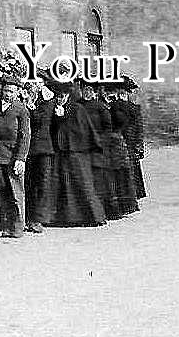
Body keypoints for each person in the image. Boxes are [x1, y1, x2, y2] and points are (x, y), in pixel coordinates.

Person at [48, 80, 106, 227]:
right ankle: (69, 217)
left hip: (77, 152)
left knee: (83, 182)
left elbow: (80, 131)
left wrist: (63, 117)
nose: (59, 99)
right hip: (62, 152)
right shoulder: (55, 107)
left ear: (68, 95)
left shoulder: (77, 108)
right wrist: (58, 117)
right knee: (65, 184)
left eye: (62, 96)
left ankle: (94, 216)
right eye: (57, 96)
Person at [0, 76, 31, 238]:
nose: (9, 94)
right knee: (1, 192)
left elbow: (25, 135)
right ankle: (5, 224)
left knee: (16, 192)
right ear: (1, 90)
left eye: (12, 91)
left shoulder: (21, 109)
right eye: (7, 90)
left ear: (18, 92)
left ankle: (18, 225)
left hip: (13, 157)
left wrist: (21, 158)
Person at [77, 79, 118, 220]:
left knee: (101, 180)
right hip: (83, 147)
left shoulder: (101, 107)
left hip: (98, 148)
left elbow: (108, 128)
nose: (86, 93)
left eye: (89, 90)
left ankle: (107, 210)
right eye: (84, 90)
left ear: (94, 92)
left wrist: (100, 142)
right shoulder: (78, 106)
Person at [24, 76, 57, 233]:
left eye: (38, 82)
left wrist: (29, 104)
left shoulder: (48, 99)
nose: (34, 85)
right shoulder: (30, 97)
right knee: (28, 184)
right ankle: (27, 218)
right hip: (28, 148)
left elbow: (39, 120)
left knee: (41, 184)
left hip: (42, 148)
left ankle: (38, 219)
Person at [105, 81, 140, 216]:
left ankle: (126, 203)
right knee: (123, 174)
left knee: (124, 173)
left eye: (122, 93)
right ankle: (126, 203)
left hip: (121, 141)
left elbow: (131, 124)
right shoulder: (113, 105)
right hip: (118, 142)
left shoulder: (121, 106)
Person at [119, 75, 147, 199]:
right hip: (122, 139)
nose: (124, 93)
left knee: (132, 167)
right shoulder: (116, 106)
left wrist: (139, 145)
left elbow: (139, 128)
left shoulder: (134, 108)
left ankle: (135, 192)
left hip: (130, 140)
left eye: (125, 91)